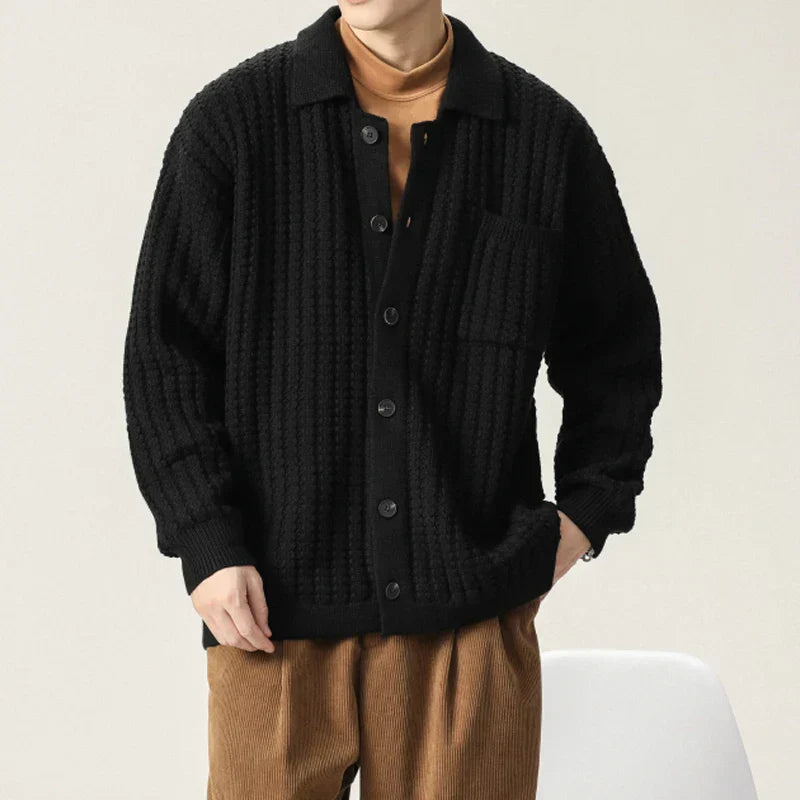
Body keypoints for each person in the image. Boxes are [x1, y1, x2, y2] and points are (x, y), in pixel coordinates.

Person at [122, 1, 663, 797]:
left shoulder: (544, 137)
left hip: (470, 625)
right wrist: (205, 538)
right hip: (270, 615)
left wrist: (587, 509)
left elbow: (615, 349)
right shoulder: (232, 125)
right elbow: (165, 355)